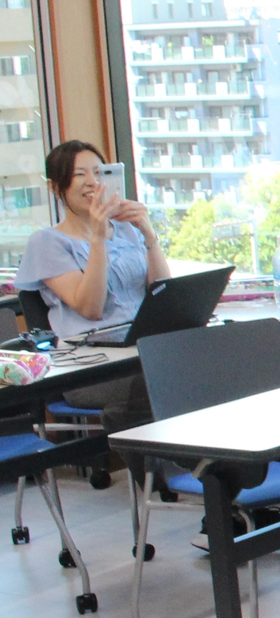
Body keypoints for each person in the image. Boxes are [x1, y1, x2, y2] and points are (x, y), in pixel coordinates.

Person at [15, 140, 169, 427]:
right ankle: (133, 446)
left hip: (142, 352)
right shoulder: (47, 242)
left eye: (99, 173)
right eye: (79, 174)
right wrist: (98, 238)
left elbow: (164, 297)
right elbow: (90, 308)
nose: (92, 182)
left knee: (208, 360)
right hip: (91, 370)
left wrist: (149, 234)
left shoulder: (126, 230)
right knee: (171, 378)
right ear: (55, 187)